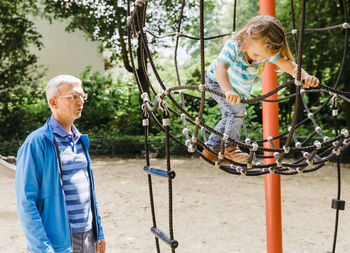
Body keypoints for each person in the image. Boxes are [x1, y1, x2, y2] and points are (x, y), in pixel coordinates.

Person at [202, 15, 319, 164]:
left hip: (234, 88)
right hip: (216, 81)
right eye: (256, 55)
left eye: (263, 57)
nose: (259, 59)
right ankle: (224, 147)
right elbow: (221, 69)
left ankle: (214, 149)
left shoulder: (263, 51)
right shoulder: (234, 46)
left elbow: (288, 65)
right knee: (236, 111)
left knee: (231, 113)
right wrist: (228, 90)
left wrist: (305, 76)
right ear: (246, 39)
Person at [15, 75, 106, 253]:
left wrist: (98, 231)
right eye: (73, 96)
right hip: (57, 243)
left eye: (82, 96)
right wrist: (43, 248)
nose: (81, 101)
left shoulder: (80, 140)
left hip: (88, 237)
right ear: (53, 102)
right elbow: (26, 201)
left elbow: (89, 192)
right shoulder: (36, 143)